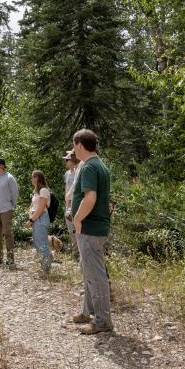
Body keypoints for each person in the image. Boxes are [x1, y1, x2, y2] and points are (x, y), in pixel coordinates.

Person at [70, 129, 113, 334]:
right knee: (89, 270)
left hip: (90, 229)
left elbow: (90, 198)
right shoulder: (99, 165)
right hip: (95, 227)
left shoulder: (89, 167)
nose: (72, 149)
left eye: (73, 145)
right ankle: (88, 312)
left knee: (95, 275)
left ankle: (102, 320)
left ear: (79, 144)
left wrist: (77, 219)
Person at [0, 157, 19, 267]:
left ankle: (11, 260)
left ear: (1, 166)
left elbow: (15, 194)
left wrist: (10, 204)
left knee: (8, 234)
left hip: (6, 209)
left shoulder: (9, 178)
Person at [27, 170, 52, 274]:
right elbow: (33, 206)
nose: (31, 179)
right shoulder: (36, 191)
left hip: (41, 218)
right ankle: (44, 266)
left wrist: (32, 219)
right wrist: (31, 218)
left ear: (38, 178)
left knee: (42, 243)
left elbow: (41, 208)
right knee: (37, 243)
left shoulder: (44, 191)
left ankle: (46, 269)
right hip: (36, 218)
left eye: (33, 177)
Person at [62, 150, 81, 260]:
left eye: (67, 160)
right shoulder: (67, 174)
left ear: (73, 160)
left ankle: (79, 254)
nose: (66, 162)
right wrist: (66, 206)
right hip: (69, 204)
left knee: (78, 229)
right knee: (71, 229)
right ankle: (75, 254)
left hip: (77, 204)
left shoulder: (80, 171)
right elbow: (66, 189)